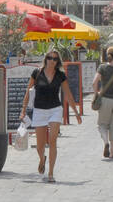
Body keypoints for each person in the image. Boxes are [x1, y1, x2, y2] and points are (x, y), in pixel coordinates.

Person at [23, 52, 82, 184]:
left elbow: (68, 94)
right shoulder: (37, 73)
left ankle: (50, 173)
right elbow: (28, 91)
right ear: (45, 59)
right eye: (49, 58)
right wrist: (23, 110)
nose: (52, 61)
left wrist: (76, 112)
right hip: (39, 110)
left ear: (57, 61)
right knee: (40, 145)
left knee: (53, 141)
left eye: (55, 59)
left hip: (55, 109)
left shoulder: (60, 75)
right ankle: (42, 159)